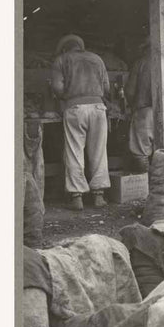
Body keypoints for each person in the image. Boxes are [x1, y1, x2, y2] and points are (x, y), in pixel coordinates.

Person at [48, 33, 110, 209]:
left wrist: (66, 96)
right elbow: (106, 87)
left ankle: (77, 197)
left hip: (75, 108)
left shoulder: (62, 60)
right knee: (99, 151)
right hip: (98, 107)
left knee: (74, 151)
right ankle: (99, 196)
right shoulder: (97, 59)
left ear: (65, 48)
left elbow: (57, 86)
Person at [125, 39, 164, 166]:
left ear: (147, 49)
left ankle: (145, 176)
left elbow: (130, 91)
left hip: (144, 112)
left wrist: (133, 106)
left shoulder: (140, 64)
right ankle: (160, 177)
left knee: (141, 152)